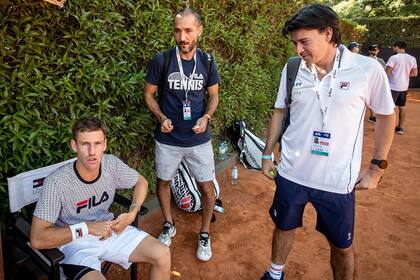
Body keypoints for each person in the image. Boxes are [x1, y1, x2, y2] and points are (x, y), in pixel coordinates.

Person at [260, 4, 395, 280]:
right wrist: (266, 154)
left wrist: (377, 168)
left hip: (337, 181)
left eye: (304, 42)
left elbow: (385, 116)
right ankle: (275, 275)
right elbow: (279, 111)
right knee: (283, 226)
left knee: (342, 246)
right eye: (295, 43)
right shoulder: (293, 67)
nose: (298, 50)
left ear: (328, 33)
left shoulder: (367, 69)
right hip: (291, 173)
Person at [30, 117, 170, 280]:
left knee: (162, 253)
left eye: (97, 143)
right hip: (75, 243)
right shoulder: (57, 182)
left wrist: (132, 213)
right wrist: (87, 228)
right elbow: (37, 239)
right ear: (74, 145)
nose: (92, 151)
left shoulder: (111, 165)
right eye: (85, 144)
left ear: (105, 144)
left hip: (110, 230)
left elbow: (141, 182)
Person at [143, 7, 220, 261]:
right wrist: (161, 117)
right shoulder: (162, 60)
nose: (182, 36)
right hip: (168, 140)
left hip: (199, 140)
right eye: (178, 31)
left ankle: (205, 232)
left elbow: (214, 95)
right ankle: (168, 223)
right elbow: (148, 94)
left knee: (208, 188)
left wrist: (206, 118)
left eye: (188, 30)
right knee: (163, 181)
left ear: (199, 30)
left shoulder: (207, 61)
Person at [386, 41, 418, 134]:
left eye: (393, 47)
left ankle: (388, 128)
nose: (393, 49)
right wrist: (404, 75)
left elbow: (387, 72)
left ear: (396, 47)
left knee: (390, 108)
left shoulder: (394, 58)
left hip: (392, 87)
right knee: (402, 107)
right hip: (404, 87)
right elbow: (415, 73)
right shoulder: (412, 58)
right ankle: (400, 128)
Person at [367, 43, 387, 123]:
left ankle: (376, 115)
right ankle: (373, 116)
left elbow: (385, 71)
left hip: (379, 83)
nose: (376, 51)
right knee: (371, 100)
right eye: (374, 49)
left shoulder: (381, 60)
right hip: (370, 83)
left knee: (378, 99)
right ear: (370, 51)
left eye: (377, 49)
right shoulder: (366, 60)